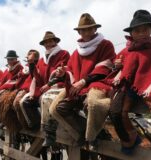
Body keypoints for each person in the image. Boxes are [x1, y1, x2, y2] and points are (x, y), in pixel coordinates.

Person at [49, 13, 115, 158]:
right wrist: (62, 73)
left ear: (94, 29)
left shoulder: (105, 44)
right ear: (79, 32)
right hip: (78, 85)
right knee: (56, 109)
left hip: (98, 83)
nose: (86, 32)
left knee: (92, 104)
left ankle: (93, 136)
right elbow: (70, 70)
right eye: (83, 30)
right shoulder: (76, 52)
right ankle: (82, 132)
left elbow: (105, 67)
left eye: (89, 29)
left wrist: (84, 81)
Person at [110, 9, 151, 155]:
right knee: (122, 112)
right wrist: (118, 65)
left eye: (145, 29)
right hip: (131, 86)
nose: (141, 33)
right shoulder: (129, 50)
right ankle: (132, 137)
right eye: (137, 30)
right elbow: (122, 67)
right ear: (132, 33)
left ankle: (150, 138)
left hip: (149, 85)